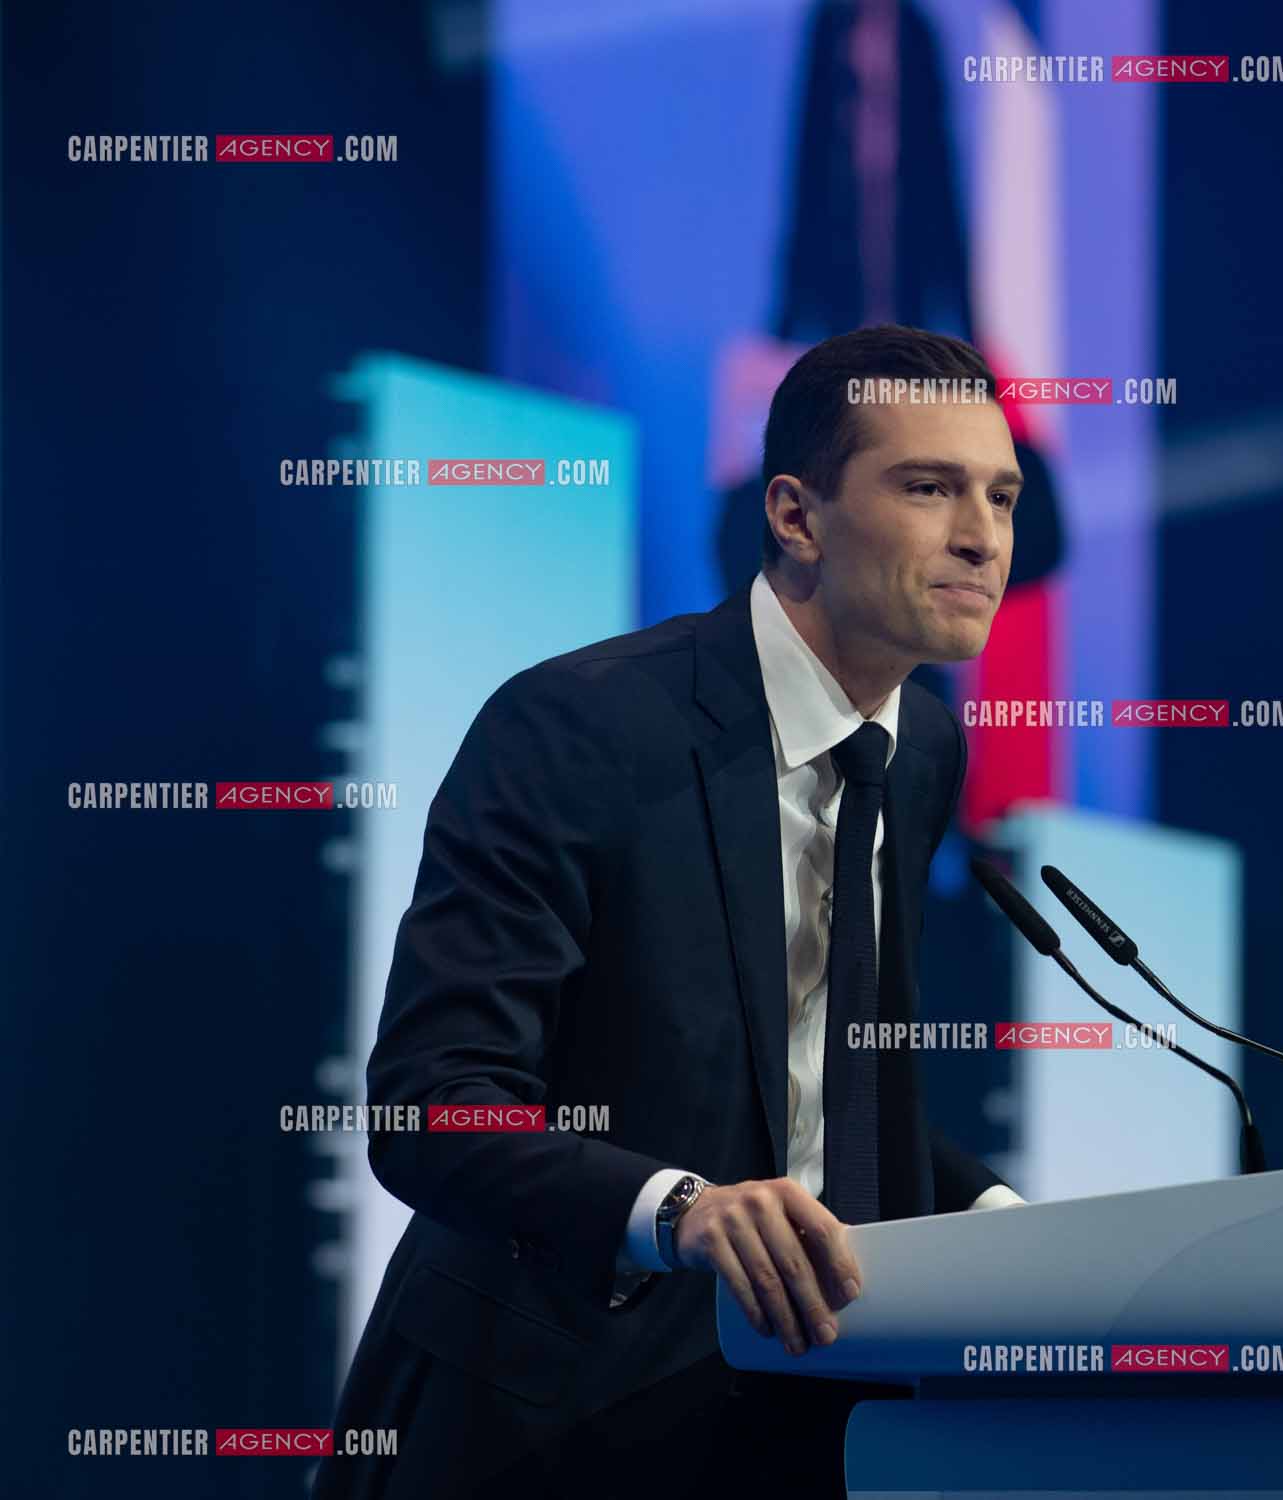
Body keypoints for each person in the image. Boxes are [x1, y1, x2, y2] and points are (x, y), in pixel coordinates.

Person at [316, 324, 1023, 1498]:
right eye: (927, 486)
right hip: (534, 1425)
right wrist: (678, 1211)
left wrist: (1004, 1219)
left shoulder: (925, 749)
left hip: (800, 1427)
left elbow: (829, 1090)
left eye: (1000, 495)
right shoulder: (579, 729)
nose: (981, 536)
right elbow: (435, 1104)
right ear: (795, 516)